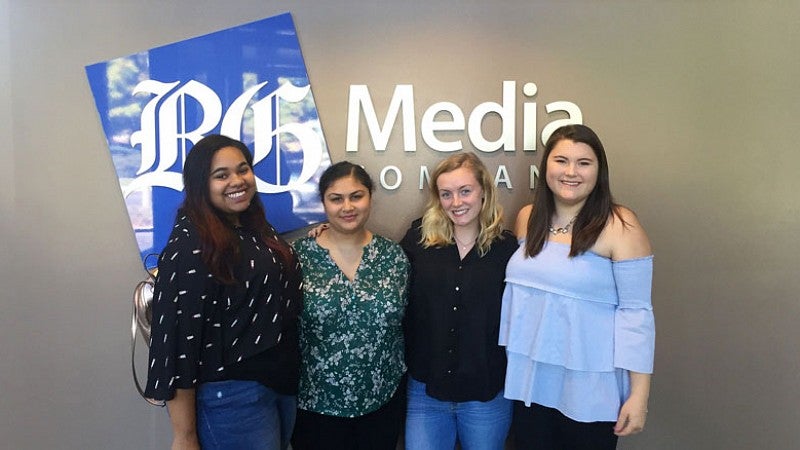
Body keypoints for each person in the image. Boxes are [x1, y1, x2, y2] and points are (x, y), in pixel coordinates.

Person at [500, 124, 655, 449]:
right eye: (561, 161)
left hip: (590, 390)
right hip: (532, 384)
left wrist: (639, 396)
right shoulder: (529, 218)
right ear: (546, 168)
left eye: (584, 163)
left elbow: (636, 316)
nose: (571, 172)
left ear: (599, 172)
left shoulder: (621, 226)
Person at [144, 134, 302, 450]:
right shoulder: (191, 246)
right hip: (232, 397)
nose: (237, 180)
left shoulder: (252, 225)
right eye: (222, 175)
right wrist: (184, 435)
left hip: (277, 381)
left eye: (243, 170)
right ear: (201, 184)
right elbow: (177, 344)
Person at [400, 153, 519, 450]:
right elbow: (379, 270)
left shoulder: (507, 249)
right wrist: (330, 233)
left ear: (484, 192)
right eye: (446, 194)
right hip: (426, 392)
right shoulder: (418, 239)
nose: (456, 202)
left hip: (487, 395)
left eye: (465, 191)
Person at [291, 161, 409, 450]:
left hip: (381, 400)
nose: (347, 207)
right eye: (336, 198)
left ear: (370, 197)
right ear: (323, 203)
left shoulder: (393, 257)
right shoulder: (297, 258)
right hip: (316, 406)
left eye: (356, 196)